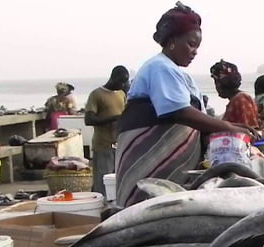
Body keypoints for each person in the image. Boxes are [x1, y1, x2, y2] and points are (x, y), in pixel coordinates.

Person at [115, 1, 251, 207]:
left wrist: (229, 127)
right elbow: (180, 112)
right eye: (190, 44)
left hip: (167, 164)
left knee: (162, 209)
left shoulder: (173, 71)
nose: (195, 51)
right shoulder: (160, 67)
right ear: (171, 41)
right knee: (147, 208)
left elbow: (193, 114)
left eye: (197, 46)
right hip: (150, 159)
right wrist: (229, 127)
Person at [85, 65, 129, 196]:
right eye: (120, 81)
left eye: (125, 82)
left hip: (119, 144)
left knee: (116, 181)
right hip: (103, 145)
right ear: (113, 78)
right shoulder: (97, 94)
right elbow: (89, 119)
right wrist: (114, 118)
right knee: (102, 181)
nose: (122, 85)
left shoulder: (121, 94)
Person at [210, 59, 261, 130]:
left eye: (216, 82)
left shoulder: (241, 100)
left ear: (222, 83)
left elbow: (248, 131)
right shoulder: (237, 99)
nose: (216, 86)